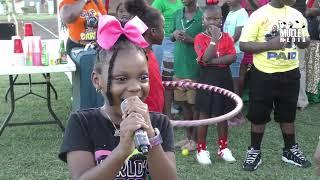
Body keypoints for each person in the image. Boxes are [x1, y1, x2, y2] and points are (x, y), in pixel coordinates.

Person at [58, 15, 177, 179]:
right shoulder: (82, 123)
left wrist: (151, 137)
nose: (135, 87)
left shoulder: (159, 124)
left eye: (143, 78)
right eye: (121, 79)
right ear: (97, 80)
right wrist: (122, 150)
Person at [239, 0, 311, 171]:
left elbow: (306, 41)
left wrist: (296, 36)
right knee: (258, 115)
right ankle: (254, 150)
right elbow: (243, 44)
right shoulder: (259, 15)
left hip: (291, 72)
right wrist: (269, 45)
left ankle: (289, 150)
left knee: (288, 114)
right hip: (264, 73)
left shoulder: (296, 15)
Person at [193, 3, 237, 165]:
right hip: (207, 79)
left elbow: (232, 57)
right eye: (209, 19)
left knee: (222, 116)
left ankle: (223, 148)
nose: (213, 22)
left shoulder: (227, 37)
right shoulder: (199, 38)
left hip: (224, 78)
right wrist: (213, 40)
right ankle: (201, 149)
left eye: (216, 18)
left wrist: (214, 61)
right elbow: (204, 59)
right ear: (203, 21)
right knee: (204, 115)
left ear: (221, 20)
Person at [118, 0, 165, 113]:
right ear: (153, 31)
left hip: (156, 112)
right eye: (163, 27)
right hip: (144, 115)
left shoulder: (150, 53)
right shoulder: (139, 59)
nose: (165, 31)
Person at [170, 0, 203, 152]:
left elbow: (209, 41)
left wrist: (192, 40)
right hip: (179, 68)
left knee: (195, 105)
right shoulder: (177, 14)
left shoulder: (203, 16)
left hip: (195, 69)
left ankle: (196, 139)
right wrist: (174, 34)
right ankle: (189, 137)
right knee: (183, 103)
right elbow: (170, 36)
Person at [152, 0, 183, 119]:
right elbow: (151, 20)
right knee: (165, 76)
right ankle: (165, 111)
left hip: (177, 41)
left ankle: (171, 105)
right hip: (163, 41)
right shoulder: (159, 2)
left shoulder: (180, 2)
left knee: (173, 75)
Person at [223, 0, 249, 124]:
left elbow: (238, 35)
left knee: (234, 82)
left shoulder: (242, 13)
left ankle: (237, 114)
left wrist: (223, 46)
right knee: (231, 81)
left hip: (235, 52)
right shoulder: (231, 12)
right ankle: (234, 113)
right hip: (228, 51)